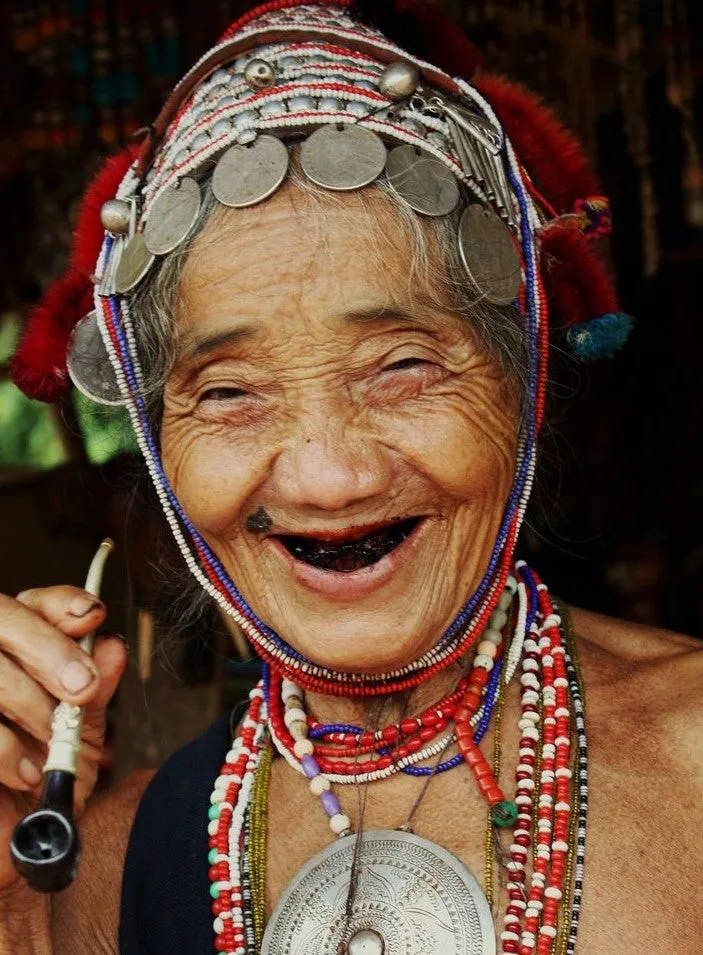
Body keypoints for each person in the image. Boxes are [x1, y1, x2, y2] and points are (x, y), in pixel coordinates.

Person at [2, 2, 702, 953]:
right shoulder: (104, 867)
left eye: (403, 366)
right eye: (230, 391)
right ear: (161, 446)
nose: (330, 477)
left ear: (521, 385)